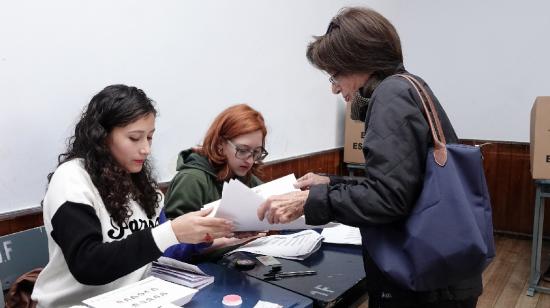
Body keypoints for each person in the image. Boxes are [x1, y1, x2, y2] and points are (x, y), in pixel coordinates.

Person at [257, 7, 481, 308]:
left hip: (423, 283)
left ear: (360, 61)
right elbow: (402, 181)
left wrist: (308, 202)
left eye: (335, 75)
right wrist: (331, 181)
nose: (335, 88)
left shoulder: (390, 96)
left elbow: (389, 198)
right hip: (442, 273)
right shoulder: (408, 85)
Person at [31, 85, 234, 308]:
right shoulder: (72, 178)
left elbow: (157, 251)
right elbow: (88, 265)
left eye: (149, 137)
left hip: (137, 299)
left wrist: (204, 237)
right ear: (102, 136)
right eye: (135, 138)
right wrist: (172, 231)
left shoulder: (141, 184)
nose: (146, 149)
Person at [162, 103, 268, 261]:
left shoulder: (245, 175)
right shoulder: (192, 179)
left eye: (257, 152)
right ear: (220, 145)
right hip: (199, 271)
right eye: (243, 150)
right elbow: (173, 248)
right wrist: (230, 239)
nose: (251, 159)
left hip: (236, 262)